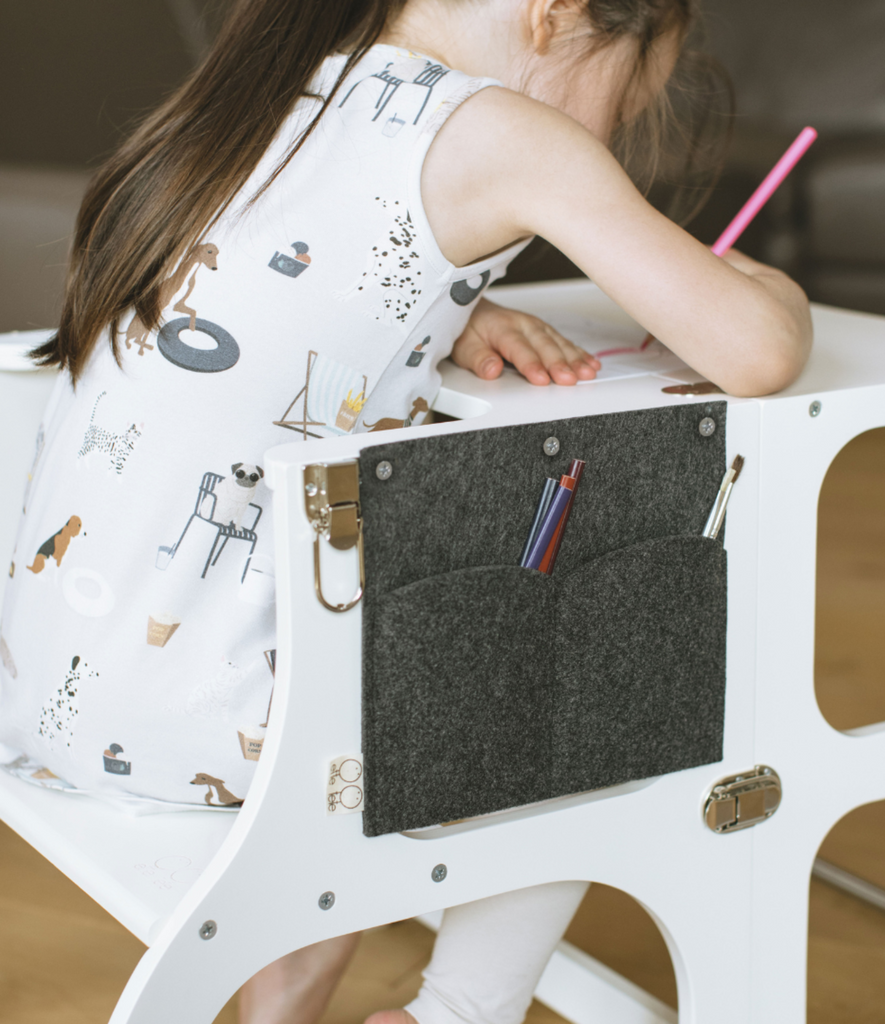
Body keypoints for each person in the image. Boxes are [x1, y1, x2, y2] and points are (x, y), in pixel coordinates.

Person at [0, 0, 811, 1019]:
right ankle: (456, 1014)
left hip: (56, 680)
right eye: (629, 93)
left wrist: (454, 313)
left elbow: (290, 288)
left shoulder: (280, 90)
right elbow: (755, 350)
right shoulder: (505, 134)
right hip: (216, 718)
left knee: (424, 624)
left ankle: (292, 972)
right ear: (556, 16)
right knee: (620, 665)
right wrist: (775, 289)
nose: (608, 132)